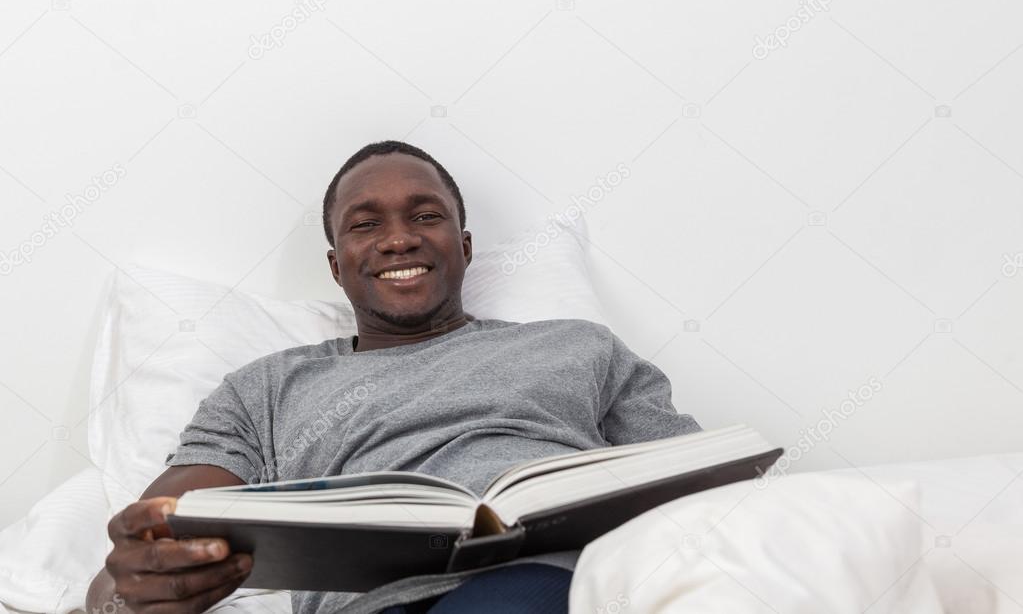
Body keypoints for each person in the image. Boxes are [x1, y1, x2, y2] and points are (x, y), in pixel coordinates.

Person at [85, 140, 702, 613]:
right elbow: (156, 534)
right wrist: (129, 585)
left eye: (425, 216)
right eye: (365, 224)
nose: (398, 240)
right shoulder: (264, 389)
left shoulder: (576, 346)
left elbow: (699, 491)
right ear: (336, 266)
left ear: (463, 247)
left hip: (542, 583)